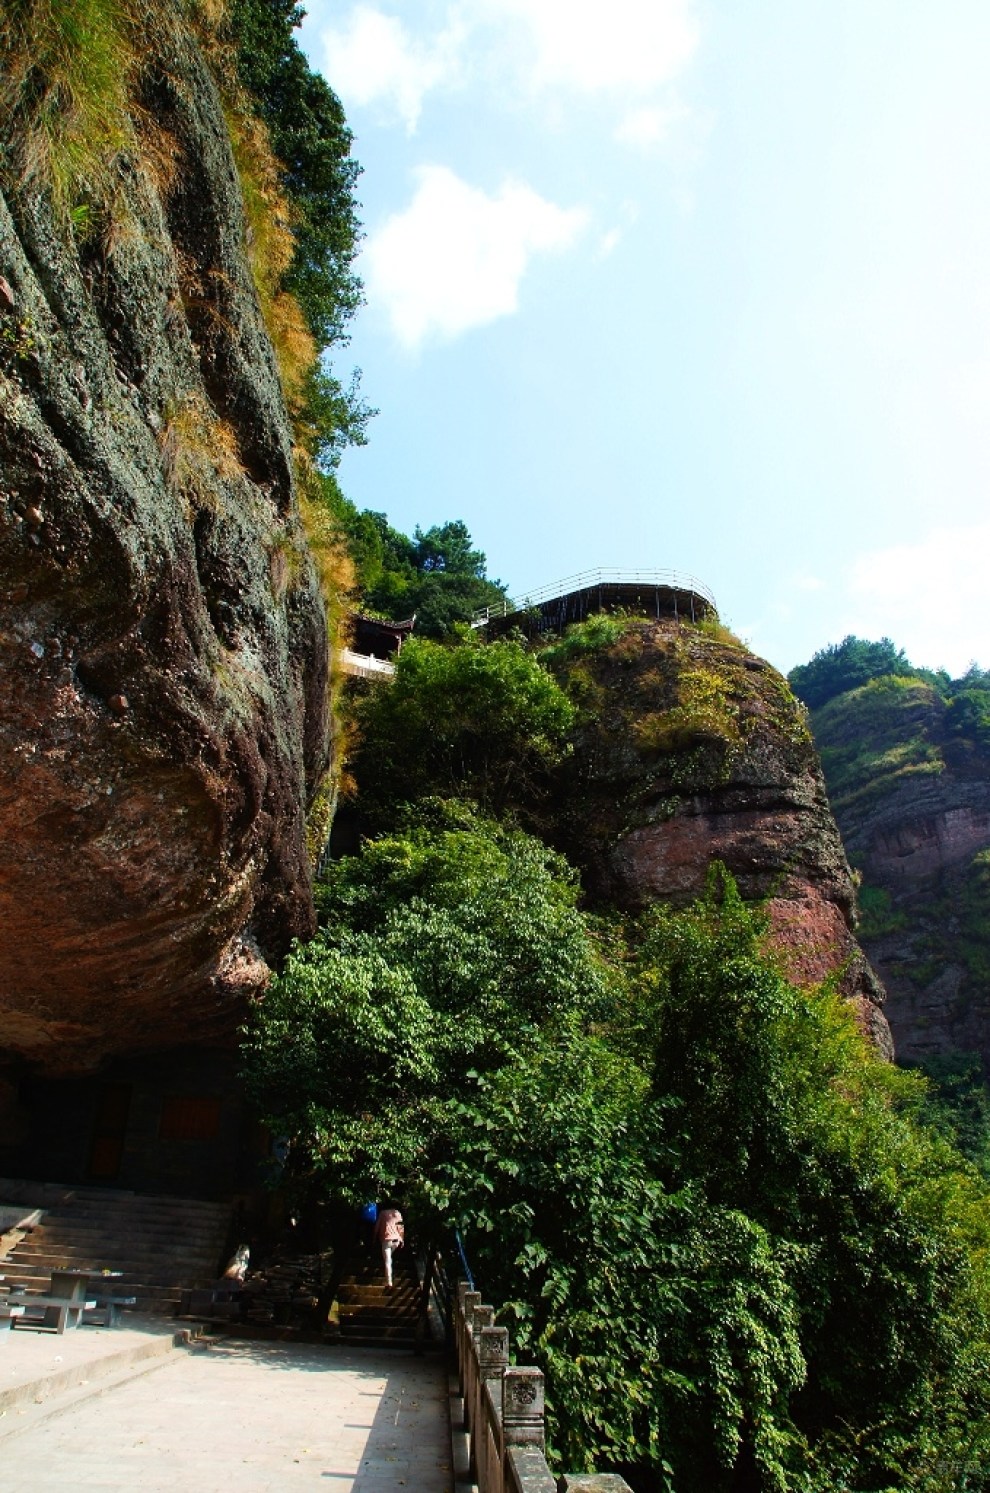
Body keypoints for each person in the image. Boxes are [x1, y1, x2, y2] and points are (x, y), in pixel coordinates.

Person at [372, 1204, 404, 1287]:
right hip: (396, 1240)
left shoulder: (383, 1213)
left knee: (387, 1260)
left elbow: (377, 1226)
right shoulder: (397, 1213)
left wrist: (374, 1237)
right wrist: (402, 1239)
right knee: (388, 1258)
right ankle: (388, 1275)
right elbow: (401, 1228)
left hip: (387, 1240)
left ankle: (388, 1281)